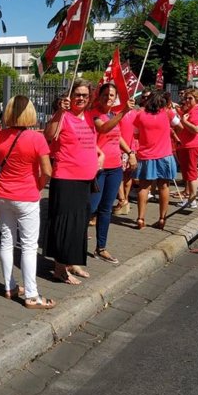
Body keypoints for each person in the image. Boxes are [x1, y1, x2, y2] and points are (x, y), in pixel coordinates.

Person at [0, 95, 54, 308]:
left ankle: (9, 286)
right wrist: (38, 185)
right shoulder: (36, 138)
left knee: (7, 241)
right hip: (26, 196)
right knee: (28, 246)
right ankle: (32, 295)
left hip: (2, 195)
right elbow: (47, 171)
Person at [43, 79, 103, 285]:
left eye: (85, 95)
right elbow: (48, 136)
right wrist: (59, 112)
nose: (81, 98)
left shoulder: (88, 116)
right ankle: (60, 268)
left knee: (80, 224)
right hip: (66, 178)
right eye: (78, 94)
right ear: (70, 95)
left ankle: (73, 261)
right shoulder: (62, 116)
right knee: (65, 224)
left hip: (86, 178)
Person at [89, 84, 137, 264]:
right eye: (106, 94)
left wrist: (130, 153)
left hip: (115, 168)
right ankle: (76, 241)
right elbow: (103, 129)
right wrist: (123, 112)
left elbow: (118, 137)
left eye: (112, 95)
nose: (109, 97)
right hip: (97, 168)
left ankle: (101, 248)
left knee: (106, 209)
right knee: (92, 207)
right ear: (98, 95)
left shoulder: (112, 115)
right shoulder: (94, 114)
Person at [132, 91, 182, 230]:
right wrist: (170, 134)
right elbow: (180, 126)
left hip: (146, 156)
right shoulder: (168, 113)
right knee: (164, 187)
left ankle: (141, 218)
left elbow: (135, 134)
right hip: (165, 155)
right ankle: (162, 218)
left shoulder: (140, 115)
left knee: (143, 187)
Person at [175, 89, 198, 208]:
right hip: (186, 145)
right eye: (186, 98)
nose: (187, 100)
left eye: (190, 98)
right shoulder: (190, 110)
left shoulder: (197, 112)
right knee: (188, 173)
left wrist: (184, 121)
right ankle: (189, 198)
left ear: (197, 99)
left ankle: (192, 200)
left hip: (192, 145)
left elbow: (197, 129)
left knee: (192, 172)